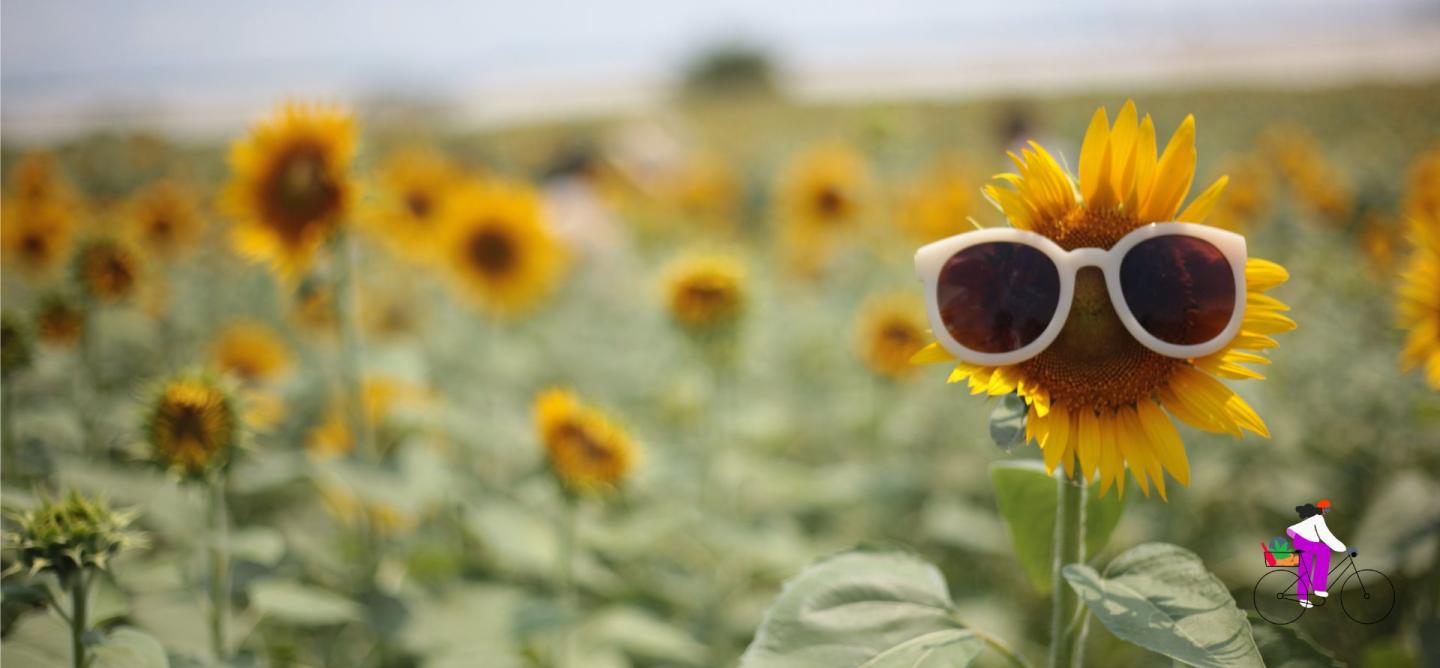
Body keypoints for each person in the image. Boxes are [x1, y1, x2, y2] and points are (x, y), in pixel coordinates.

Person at [1286, 499, 1350, 608]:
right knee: (1319, 554)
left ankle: (1313, 590)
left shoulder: (1316, 517)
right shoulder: (1318, 518)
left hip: (1300, 539)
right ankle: (1312, 591)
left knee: (1319, 554)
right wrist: (1341, 547)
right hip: (1301, 539)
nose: (1327, 511)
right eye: (1327, 509)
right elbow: (1326, 535)